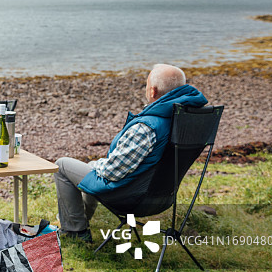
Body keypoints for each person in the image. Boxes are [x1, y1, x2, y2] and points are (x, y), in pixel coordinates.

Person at [54, 64, 207, 242]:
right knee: (91, 170)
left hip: (131, 198)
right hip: (163, 198)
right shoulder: (183, 121)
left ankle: (75, 232)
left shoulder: (147, 127)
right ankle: (78, 224)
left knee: (62, 165)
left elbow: (111, 172)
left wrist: (95, 165)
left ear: (153, 91)